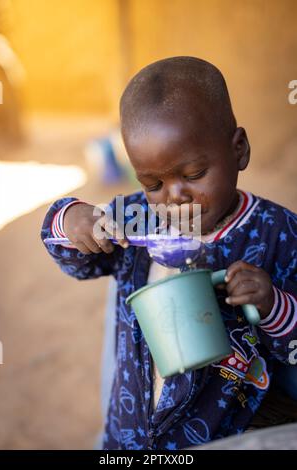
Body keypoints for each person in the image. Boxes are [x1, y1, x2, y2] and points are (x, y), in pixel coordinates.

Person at [41, 57, 297, 450]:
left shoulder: (278, 232)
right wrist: (70, 218)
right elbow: (79, 262)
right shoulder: (135, 219)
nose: (175, 196)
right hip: (130, 433)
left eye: (193, 174)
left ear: (239, 150)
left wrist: (271, 303)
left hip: (220, 436)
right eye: (153, 183)